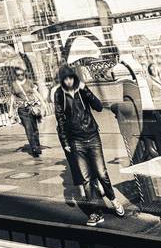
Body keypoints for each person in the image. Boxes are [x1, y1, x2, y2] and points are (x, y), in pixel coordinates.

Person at [53, 62, 125, 227]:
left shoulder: (81, 89)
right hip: (76, 141)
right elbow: (60, 119)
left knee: (101, 173)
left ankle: (113, 200)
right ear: (62, 80)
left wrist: (85, 90)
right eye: (66, 79)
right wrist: (65, 142)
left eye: (71, 78)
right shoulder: (59, 94)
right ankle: (95, 213)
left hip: (92, 136)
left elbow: (98, 107)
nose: (69, 81)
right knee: (86, 179)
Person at [10, 71, 44, 159]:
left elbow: (35, 92)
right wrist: (11, 110)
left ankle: (37, 145)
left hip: (32, 108)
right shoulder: (14, 84)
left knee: (35, 128)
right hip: (22, 109)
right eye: (18, 75)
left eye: (22, 74)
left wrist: (43, 102)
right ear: (16, 76)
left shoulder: (29, 82)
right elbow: (12, 97)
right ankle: (34, 148)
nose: (20, 76)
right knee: (29, 128)